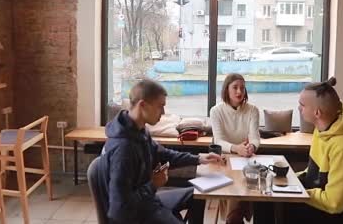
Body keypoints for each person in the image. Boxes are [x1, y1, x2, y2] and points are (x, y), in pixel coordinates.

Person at [96, 79, 223, 224]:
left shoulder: (138, 130)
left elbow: (163, 154)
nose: (163, 112)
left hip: (149, 201)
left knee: (197, 194)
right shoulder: (124, 150)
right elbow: (120, 211)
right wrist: (153, 185)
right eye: (160, 106)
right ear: (142, 105)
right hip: (136, 215)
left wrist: (199, 158)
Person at [283, 77, 343, 222]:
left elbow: (335, 203)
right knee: (267, 198)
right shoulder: (323, 129)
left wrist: (297, 193)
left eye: (302, 105)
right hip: (325, 200)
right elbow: (313, 173)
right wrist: (290, 180)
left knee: (274, 205)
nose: (299, 108)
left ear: (317, 113)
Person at [210, 73, 260, 224]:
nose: (239, 92)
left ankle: (235, 215)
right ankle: (237, 213)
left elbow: (255, 137)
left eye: (242, 88)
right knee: (233, 185)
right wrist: (236, 148)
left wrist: (251, 146)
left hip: (246, 158)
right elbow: (218, 140)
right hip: (224, 158)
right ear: (226, 90)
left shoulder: (252, 110)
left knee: (250, 180)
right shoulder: (216, 111)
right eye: (235, 87)